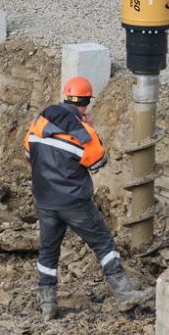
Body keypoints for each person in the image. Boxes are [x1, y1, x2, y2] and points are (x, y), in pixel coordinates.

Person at [23, 76, 154, 320]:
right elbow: (98, 161)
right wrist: (90, 129)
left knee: (48, 251)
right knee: (103, 245)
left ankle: (47, 305)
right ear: (86, 103)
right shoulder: (82, 131)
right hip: (74, 202)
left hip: (44, 199)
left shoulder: (40, 120)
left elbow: (28, 150)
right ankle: (125, 295)